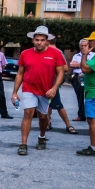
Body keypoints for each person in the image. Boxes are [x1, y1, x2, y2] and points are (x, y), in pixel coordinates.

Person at [11, 26, 66, 156]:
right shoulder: (25, 53)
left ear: (47, 41)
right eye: (37, 40)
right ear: (33, 40)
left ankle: (42, 136)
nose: (39, 42)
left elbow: (60, 73)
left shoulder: (56, 53)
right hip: (29, 88)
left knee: (43, 117)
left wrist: (54, 88)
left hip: (46, 91)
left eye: (42, 40)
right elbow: (20, 73)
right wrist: (14, 92)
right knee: (28, 113)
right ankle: (23, 144)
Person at [46, 40, 77, 134]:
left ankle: (68, 125)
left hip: (53, 83)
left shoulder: (57, 52)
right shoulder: (46, 51)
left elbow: (65, 68)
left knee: (58, 105)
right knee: (48, 105)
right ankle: (47, 123)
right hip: (46, 82)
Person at [69, 39, 94, 121]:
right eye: (81, 45)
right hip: (77, 77)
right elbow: (72, 64)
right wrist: (84, 64)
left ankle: (91, 115)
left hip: (89, 77)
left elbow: (91, 66)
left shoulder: (94, 55)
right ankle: (81, 115)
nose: (83, 47)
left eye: (85, 45)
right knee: (80, 96)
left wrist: (79, 64)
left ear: (88, 46)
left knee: (90, 96)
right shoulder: (76, 55)